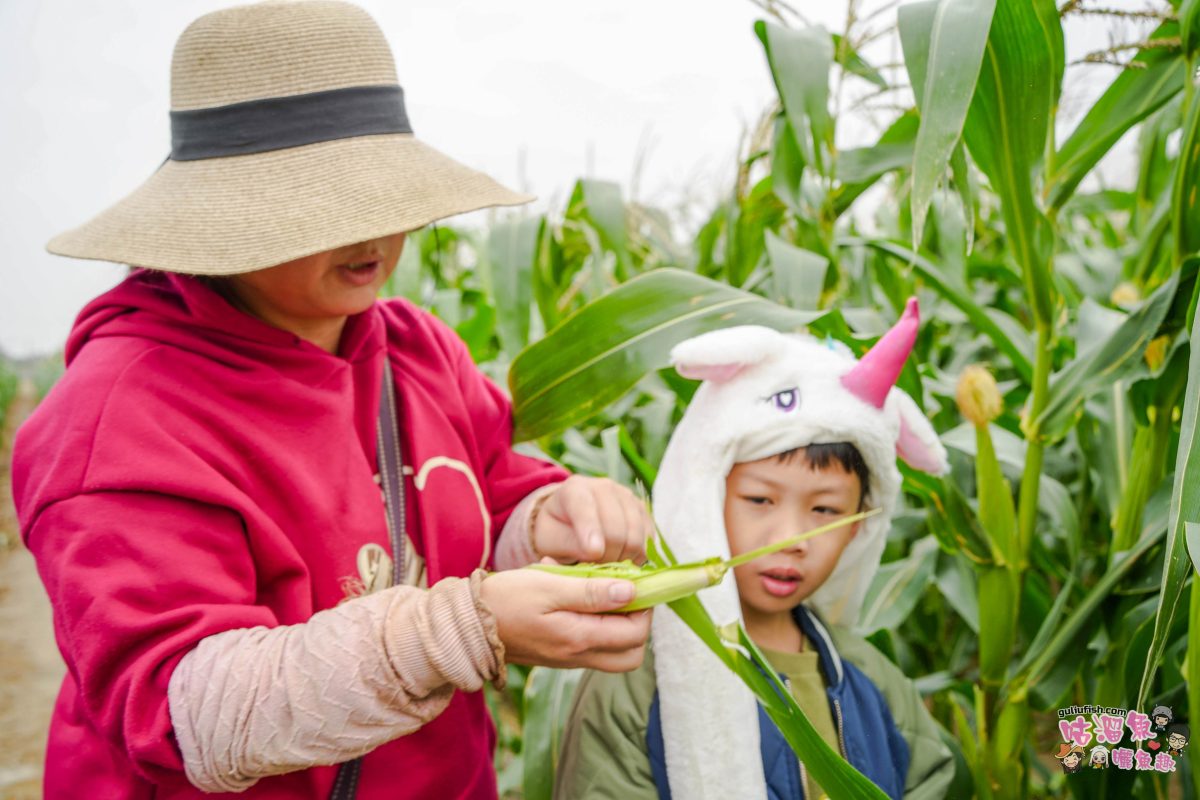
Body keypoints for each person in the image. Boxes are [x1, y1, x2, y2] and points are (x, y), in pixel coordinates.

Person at [12, 2, 654, 798]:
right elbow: (186, 710)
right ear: (221, 219)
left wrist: (549, 524)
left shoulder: (413, 344)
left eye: (384, 199)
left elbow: (484, 491)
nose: (375, 234)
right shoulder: (117, 420)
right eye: (330, 208)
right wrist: (462, 630)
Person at [556, 301, 957, 799]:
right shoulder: (634, 684)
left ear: (860, 526)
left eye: (826, 511)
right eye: (759, 500)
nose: (790, 539)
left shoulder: (875, 682)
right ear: (705, 495)